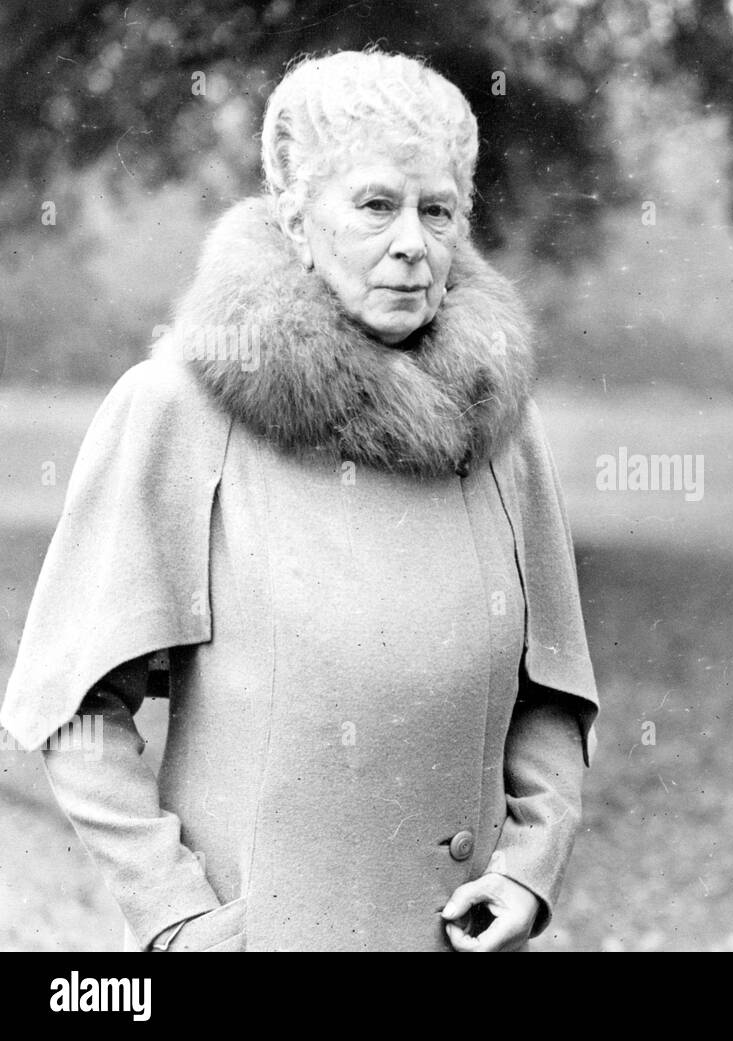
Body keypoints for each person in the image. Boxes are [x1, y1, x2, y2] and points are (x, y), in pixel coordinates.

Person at [0, 49, 598, 952]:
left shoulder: (502, 423)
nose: (413, 242)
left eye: (439, 211)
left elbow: (551, 692)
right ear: (293, 217)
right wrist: (182, 921)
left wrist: (527, 869)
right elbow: (77, 709)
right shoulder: (179, 408)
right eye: (374, 204)